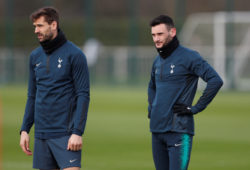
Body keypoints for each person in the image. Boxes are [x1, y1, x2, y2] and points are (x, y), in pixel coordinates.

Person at [147, 15, 223, 170]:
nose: (156, 39)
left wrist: (195, 108)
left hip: (179, 131)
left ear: (172, 32)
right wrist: (152, 107)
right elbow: (152, 86)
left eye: (160, 34)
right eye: (153, 35)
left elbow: (215, 80)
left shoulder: (189, 56)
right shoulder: (157, 61)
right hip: (156, 131)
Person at [19, 7, 90, 170]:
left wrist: (77, 132)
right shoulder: (34, 56)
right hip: (41, 135)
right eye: (35, 27)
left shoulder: (75, 55)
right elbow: (32, 96)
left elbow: (83, 95)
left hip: (65, 135)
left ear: (53, 25)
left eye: (40, 26)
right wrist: (24, 129)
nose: (36, 30)